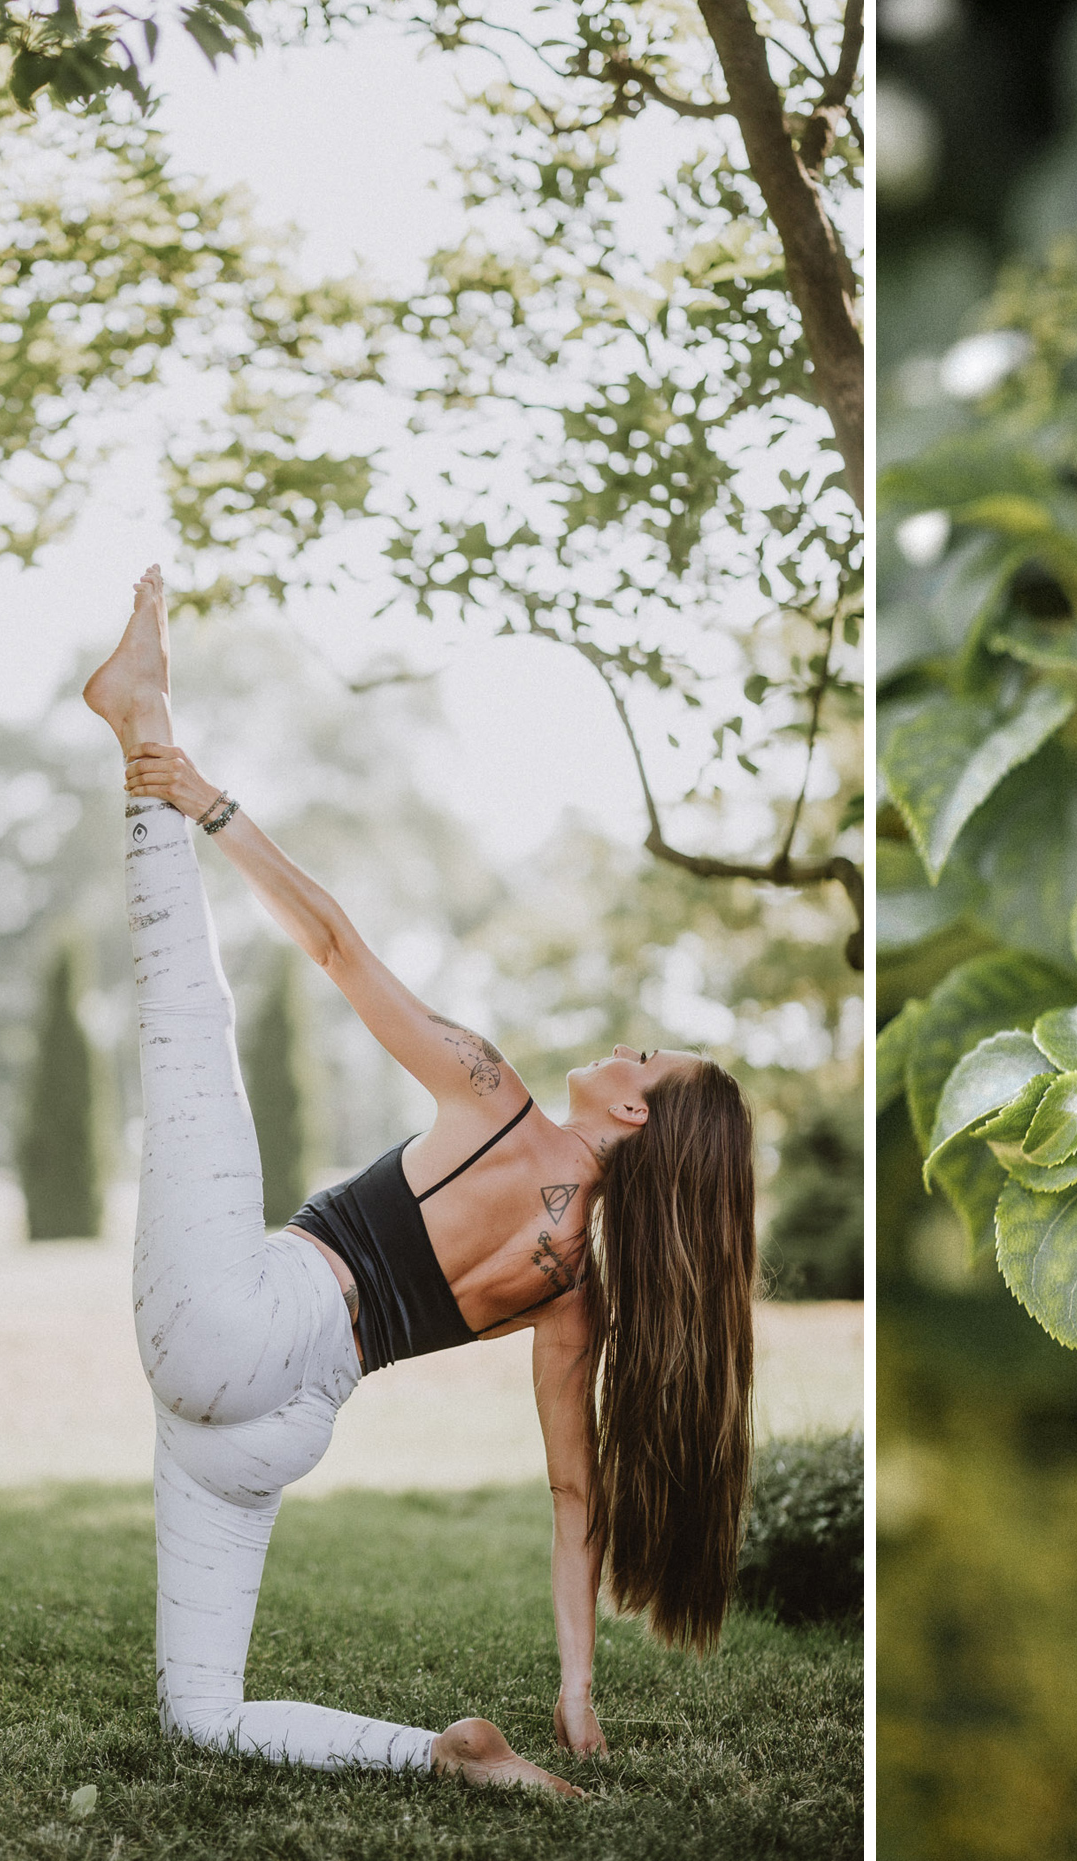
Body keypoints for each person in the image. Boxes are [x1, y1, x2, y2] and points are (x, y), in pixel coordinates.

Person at [81, 565, 757, 1787]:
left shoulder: (498, 1100)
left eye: (643, 1058)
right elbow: (570, 1493)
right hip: (276, 1434)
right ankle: (450, 1758)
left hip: (246, 1320)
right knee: (202, 1712)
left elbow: (336, 945)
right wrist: (575, 1683)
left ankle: (143, 726)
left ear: (635, 1118)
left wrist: (209, 806)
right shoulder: (573, 1290)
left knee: (188, 1022)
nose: (622, 1047)